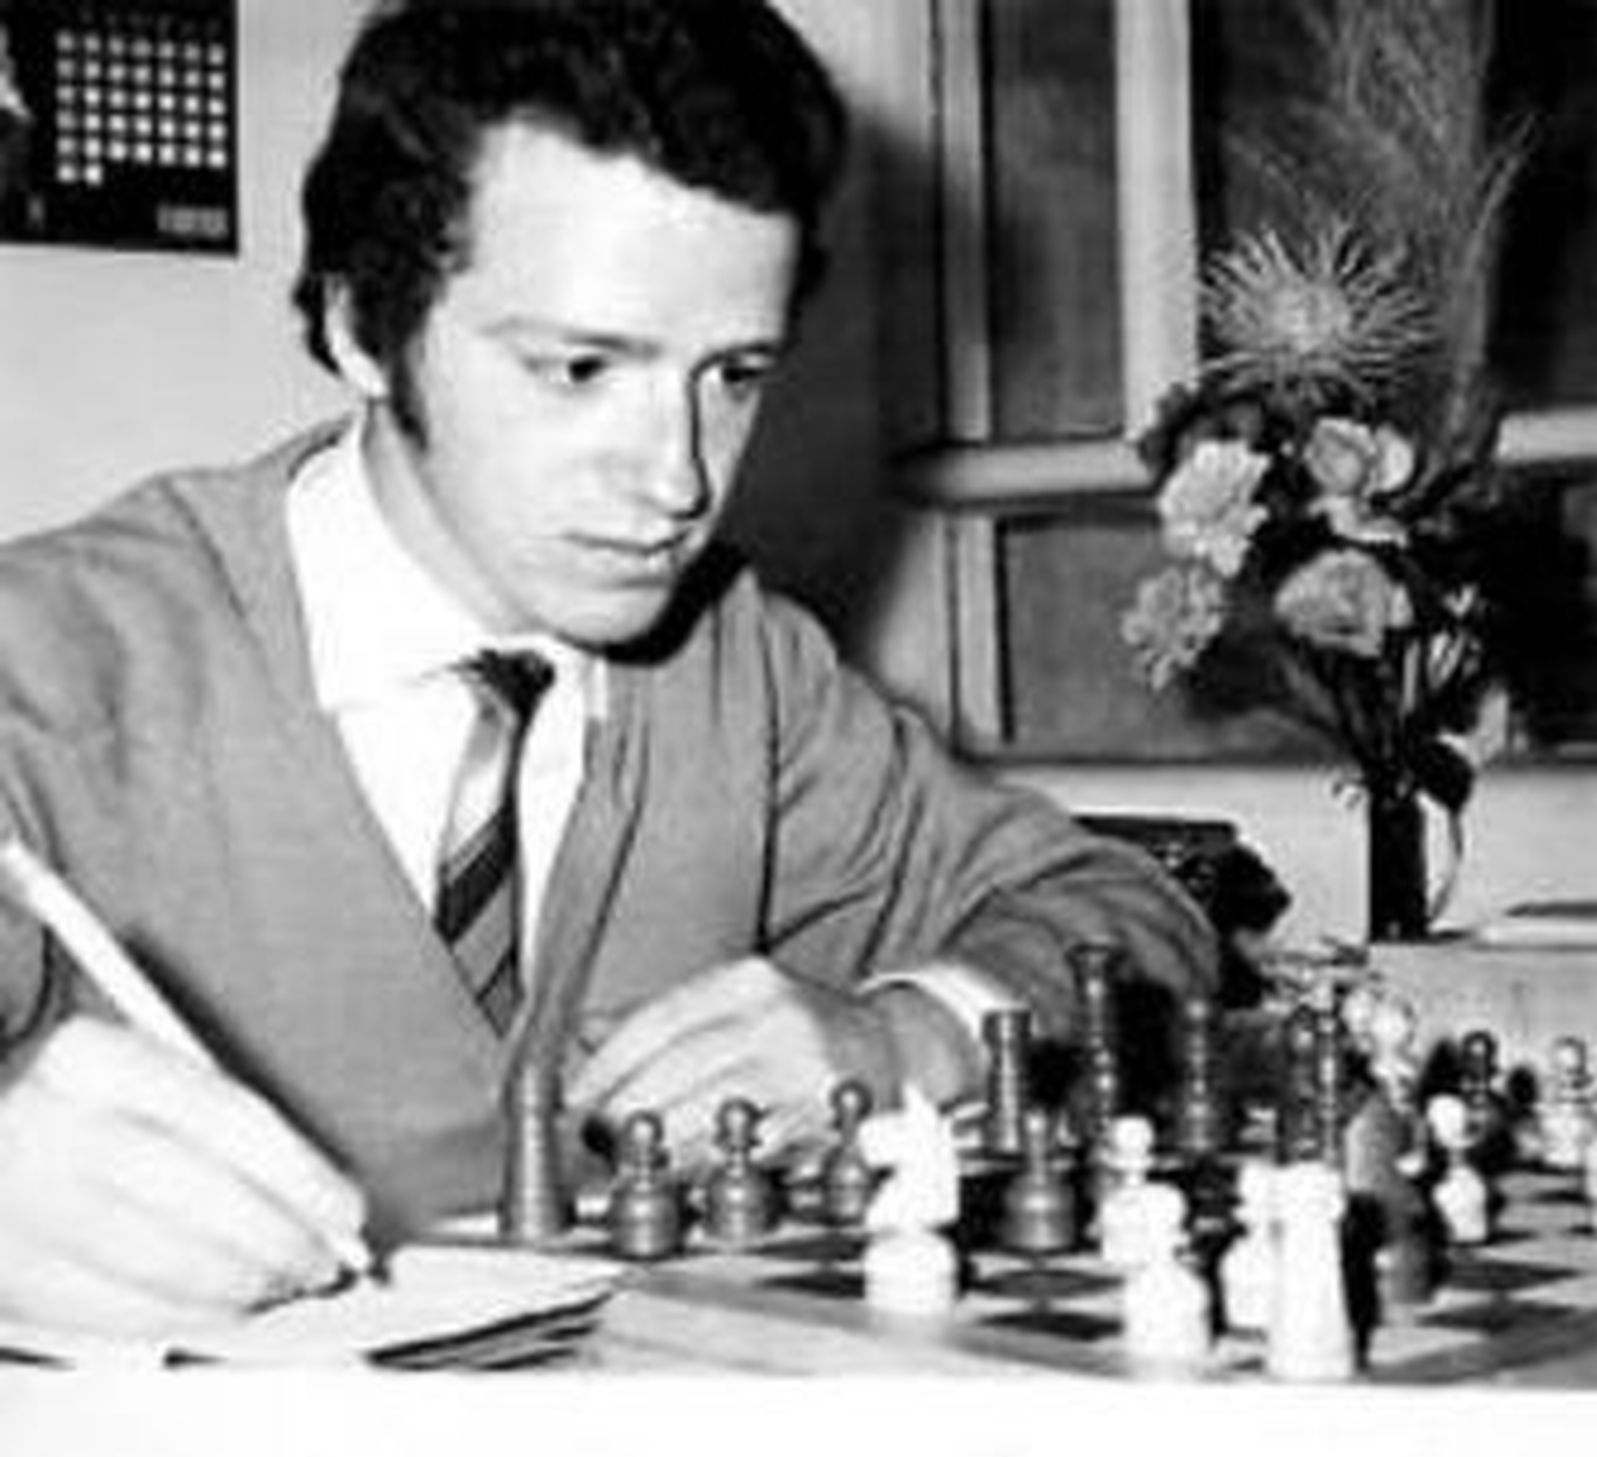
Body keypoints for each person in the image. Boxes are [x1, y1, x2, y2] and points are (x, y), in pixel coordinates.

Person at [0, 0, 1216, 1338]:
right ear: (363, 328)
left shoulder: (735, 662)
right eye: (579, 367)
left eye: (732, 376)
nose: (676, 478)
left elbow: (1128, 917)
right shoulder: (47, 664)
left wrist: (899, 1038)